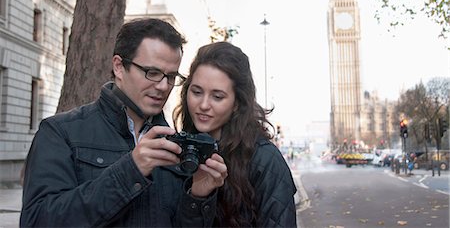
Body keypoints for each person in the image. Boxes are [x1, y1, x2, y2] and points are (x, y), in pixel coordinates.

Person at [20, 18, 228, 227]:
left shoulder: (174, 144)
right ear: (119, 67)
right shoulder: (60, 132)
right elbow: (38, 221)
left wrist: (198, 198)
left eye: (171, 76)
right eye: (152, 73)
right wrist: (131, 170)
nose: (164, 86)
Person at [173, 41, 297, 227]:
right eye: (197, 92)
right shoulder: (178, 151)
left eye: (217, 96)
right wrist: (197, 197)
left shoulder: (264, 159)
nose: (204, 104)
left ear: (237, 102)